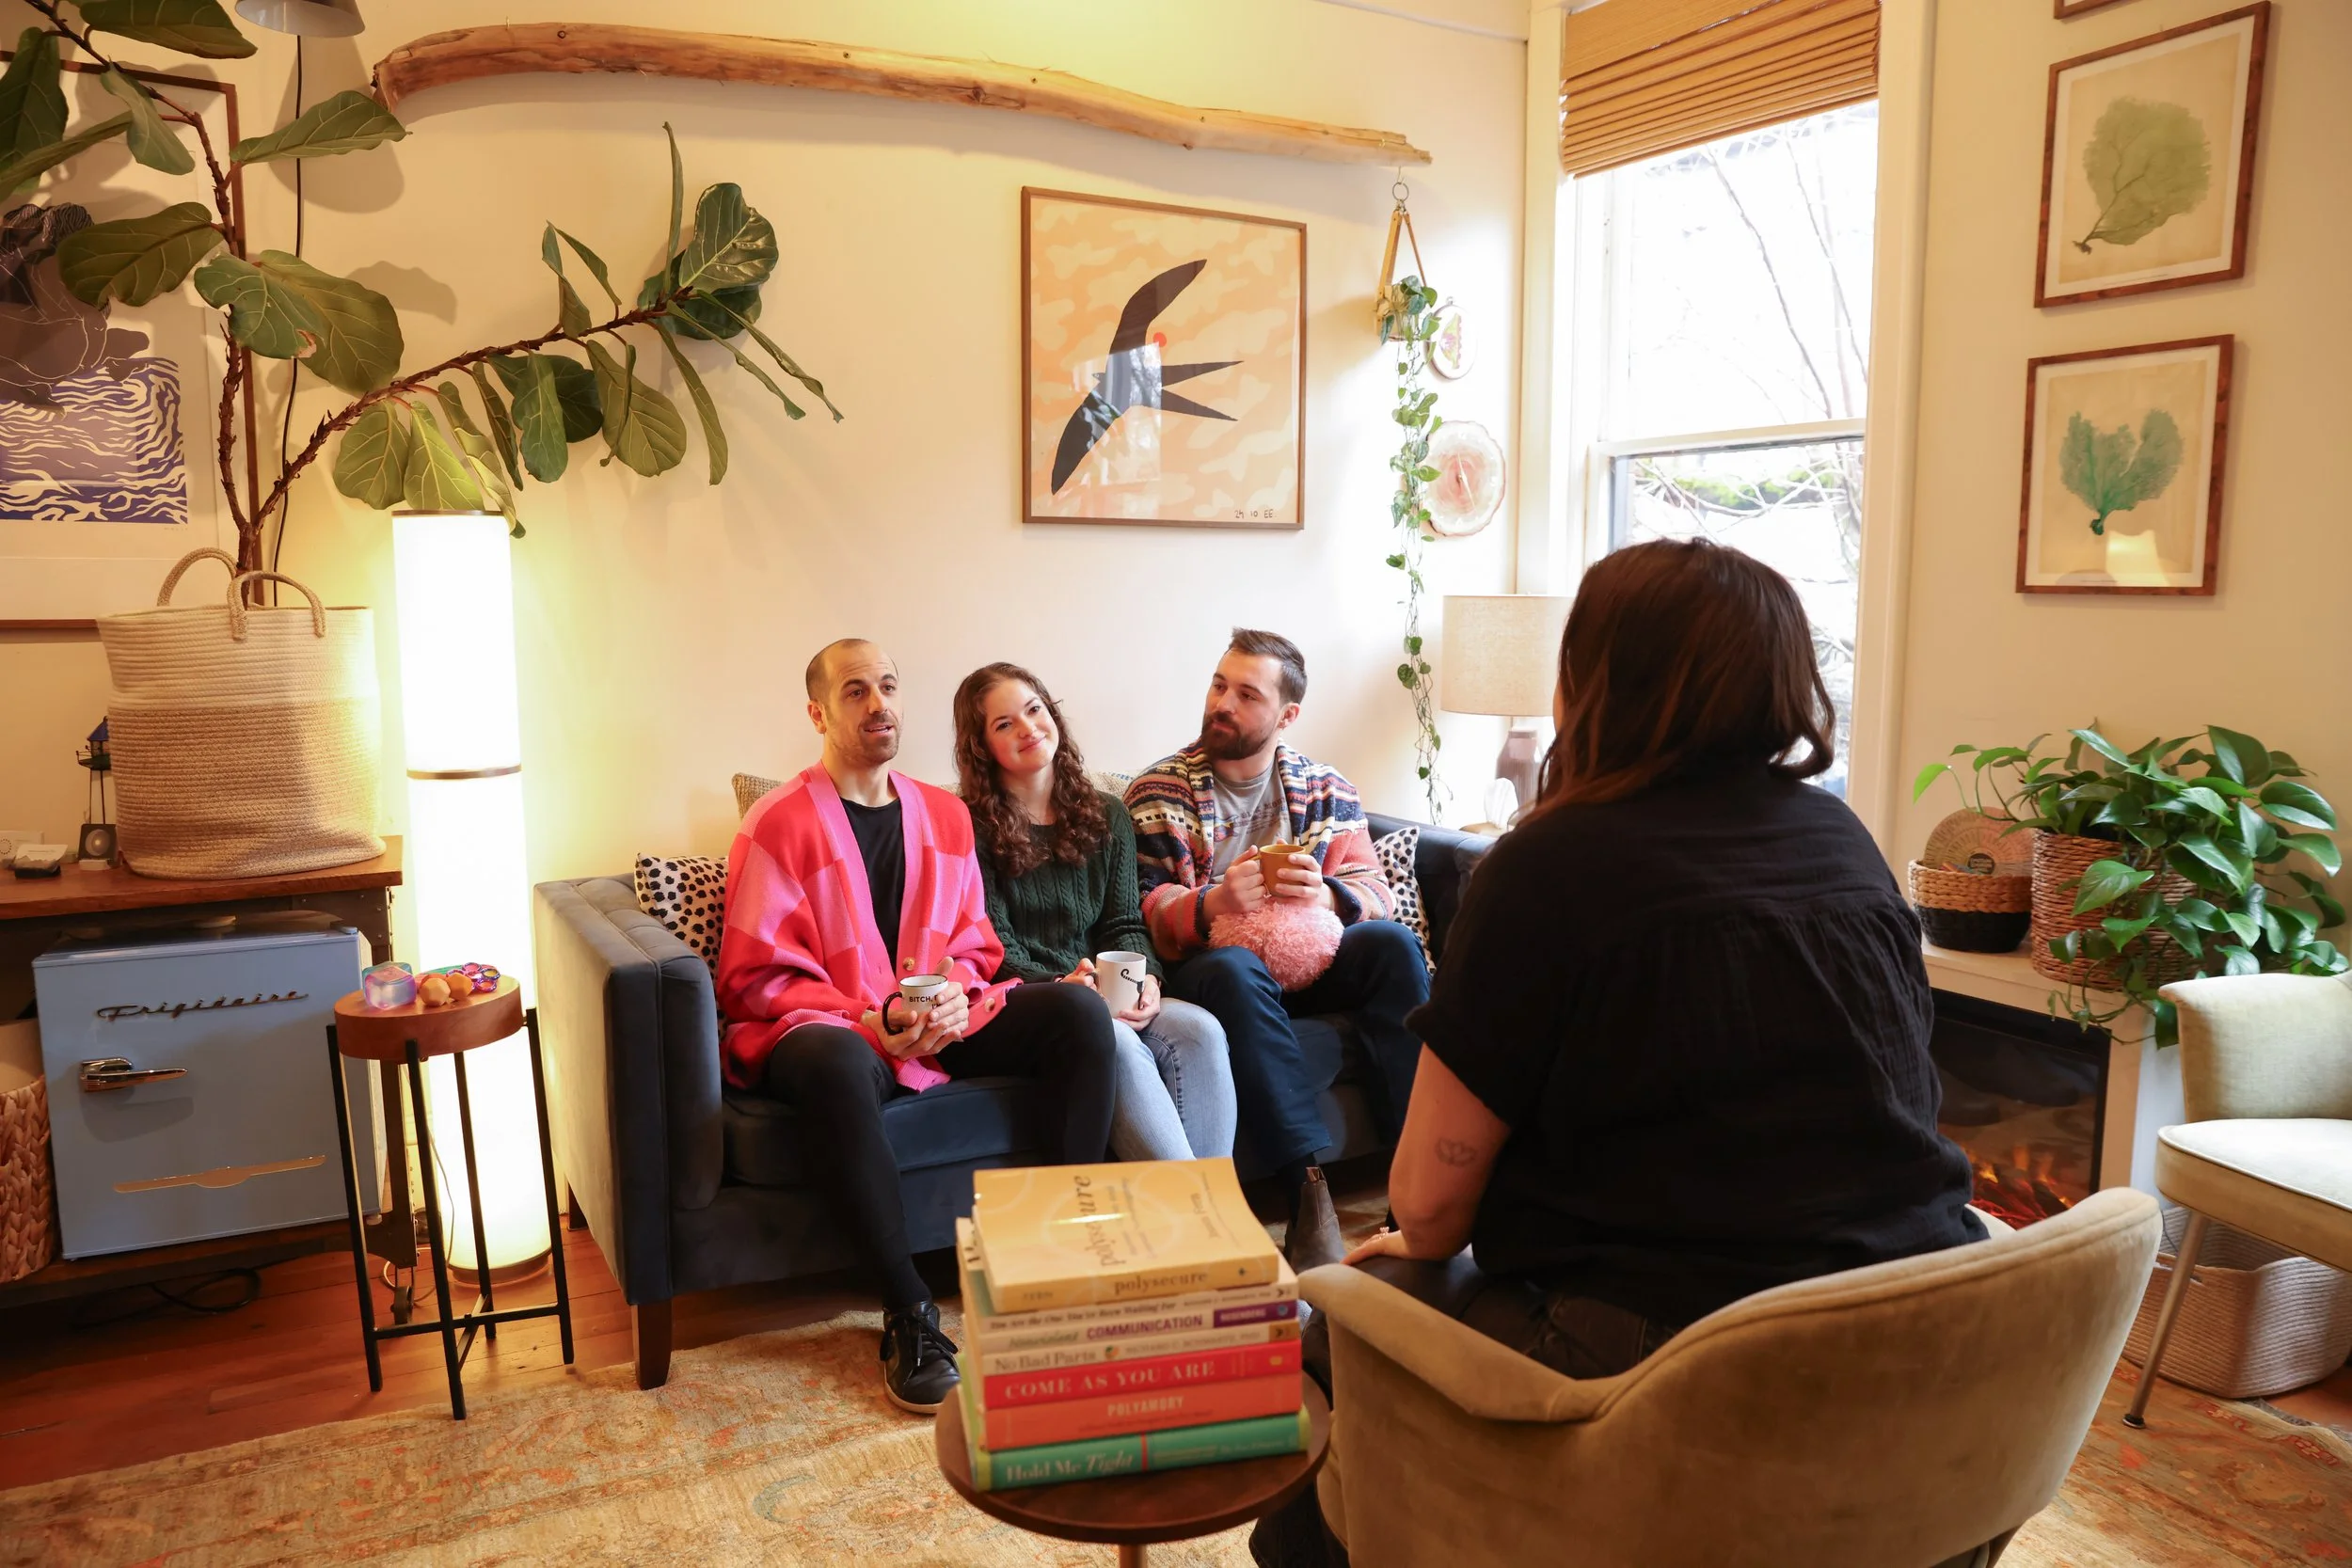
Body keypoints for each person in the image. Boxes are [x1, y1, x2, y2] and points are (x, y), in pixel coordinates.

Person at [1252, 539, 1985, 1567]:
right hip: (1927, 1331)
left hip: (1679, 1363)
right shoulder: (1843, 837)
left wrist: (1404, 1249)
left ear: (1593, 677)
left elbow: (1426, 1208)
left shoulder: (1550, 864)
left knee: (1325, 1371)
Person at [716, 639, 1120, 1417]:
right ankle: (908, 1311)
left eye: (890, 686)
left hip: (940, 1014)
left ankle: (1054, 1264)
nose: (879, 705)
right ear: (819, 712)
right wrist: (872, 1017)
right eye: (857, 690)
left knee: (1075, 1010)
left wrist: (958, 999)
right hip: (827, 1022)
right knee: (832, 1061)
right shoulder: (776, 825)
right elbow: (753, 976)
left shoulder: (944, 815)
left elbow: (974, 942)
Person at [1126, 628, 1430, 1258]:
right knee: (1237, 969)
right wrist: (1211, 903)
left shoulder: (1326, 787)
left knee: (1392, 948)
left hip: (1311, 959)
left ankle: (1417, 1183)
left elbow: (1374, 885)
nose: (1222, 703)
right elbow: (1141, 910)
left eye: (1246, 693)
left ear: (1287, 715)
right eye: (1218, 684)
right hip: (1215, 971)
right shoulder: (1160, 792)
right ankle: (1307, 1191)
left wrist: (1325, 896)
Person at [953, 661, 1237, 1164]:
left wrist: (1148, 979)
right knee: (1117, 1044)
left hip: (1107, 991)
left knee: (1201, 1029)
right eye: (1004, 724)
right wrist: (1065, 987)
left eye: (1035, 709)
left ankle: (1201, 1218)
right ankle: (1206, 1222)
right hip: (1036, 1001)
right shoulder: (967, 828)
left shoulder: (1108, 814)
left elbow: (1124, 922)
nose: (1028, 728)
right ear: (981, 747)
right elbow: (994, 944)